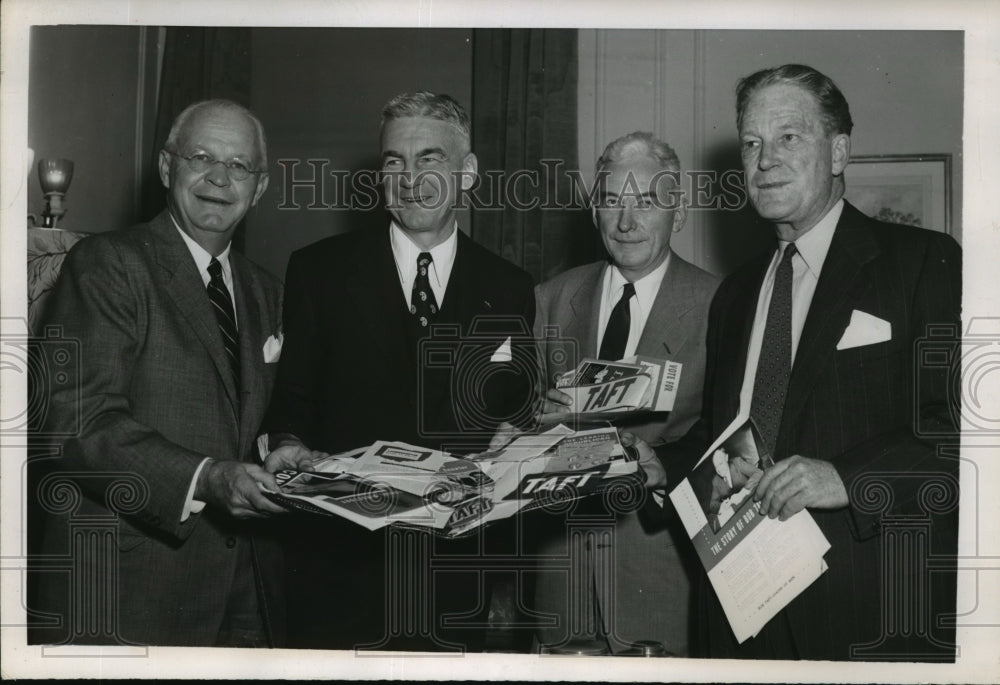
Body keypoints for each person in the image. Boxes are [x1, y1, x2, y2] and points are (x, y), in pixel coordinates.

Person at [650, 64, 961, 660]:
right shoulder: (735, 294)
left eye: (788, 137)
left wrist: (845, 477)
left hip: (863, 606)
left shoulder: (922, 262)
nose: (765, 160)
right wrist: (660, 466)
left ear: (839, 152)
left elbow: (961, 430)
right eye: (751, 143)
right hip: (737, 602)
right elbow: (727, 435)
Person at [263, 91, 537, 651]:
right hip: (340, 573)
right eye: (395, 162)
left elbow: (516, 409)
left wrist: (520, 433)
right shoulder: (318, 271)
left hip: (457, 577)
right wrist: (288, 441)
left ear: (467, 172)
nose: (410, 180)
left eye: (429, 159)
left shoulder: (510, 287)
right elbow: (292, 398)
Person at [30, 100, 288, 647]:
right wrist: (208, 478)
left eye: (239, 165)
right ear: (168, 168)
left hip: (240, 597)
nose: (219, 178)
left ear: (260, 187)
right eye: (202, 157)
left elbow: (253, 416)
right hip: (124, 594)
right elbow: (76, 424)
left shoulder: (267, 291)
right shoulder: (107, 264)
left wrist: (287, 447)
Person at [530, 132, 719, 655]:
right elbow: (513, 424)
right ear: (594, 211)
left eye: (647, 202)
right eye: (612, 200)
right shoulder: (551, 298)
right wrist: (529, 423)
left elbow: (729, 443)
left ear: (678, 213)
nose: (626, 222)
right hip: (562, 581)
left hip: (664, 581)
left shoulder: (721, 305)